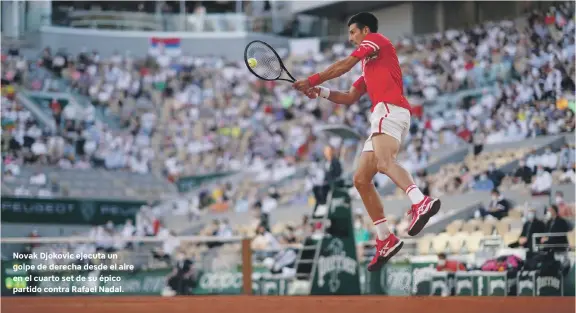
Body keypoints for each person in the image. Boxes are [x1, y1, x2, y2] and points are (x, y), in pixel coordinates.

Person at [292, 12, 441, 272]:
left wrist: (313, 79)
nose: (350, 38)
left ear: (364, 30)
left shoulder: (376, 40)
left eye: (352, 32)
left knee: (384, 163)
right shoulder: (370, 65)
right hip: (386, 114)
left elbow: (343, 66)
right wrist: (321, 92)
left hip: (389, 110)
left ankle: (421, 202)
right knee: (361, 179)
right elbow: (350, 97)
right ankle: (385, 238)